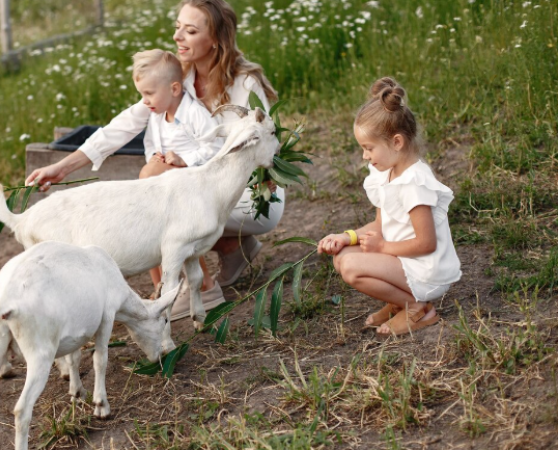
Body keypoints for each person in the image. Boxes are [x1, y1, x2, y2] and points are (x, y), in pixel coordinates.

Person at [25, 0, 283, 309]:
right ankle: (232, 248)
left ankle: (195, 289)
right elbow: (123, 126)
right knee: (164, 187)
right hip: (203, 189)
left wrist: (186, 163)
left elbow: (258, 147)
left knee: (155, 188)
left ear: (216, 40)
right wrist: (64, 167)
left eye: (190, 31)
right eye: (177, 27)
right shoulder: (178, 77)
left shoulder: (244, 84)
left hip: (250, 194)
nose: (177, 37)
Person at [317, 77, 461, 336]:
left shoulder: (414, 184)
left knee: (351, 267)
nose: (364, 156)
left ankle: (418, 307)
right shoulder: (386, 174)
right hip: (402, 261)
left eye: (368, 148)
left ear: (396, 142)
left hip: (424, 269)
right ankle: (399, 302)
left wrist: (382, 247)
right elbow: (380, 225)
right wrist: (346, 237)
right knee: (342, 258)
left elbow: (427, 243)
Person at [129, 49, 226, 314]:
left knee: (170, 227)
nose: (144, 101)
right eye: (142, 94)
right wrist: (155, 157)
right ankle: (160, 286)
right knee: (149, 222)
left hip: (192, 186)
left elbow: (215, 147)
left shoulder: (194, 113)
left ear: (174, 88)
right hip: (166, 188)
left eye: (149, 93)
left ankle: (190, 286)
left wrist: (185, 158)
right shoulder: (157, 116)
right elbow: (149, 145)